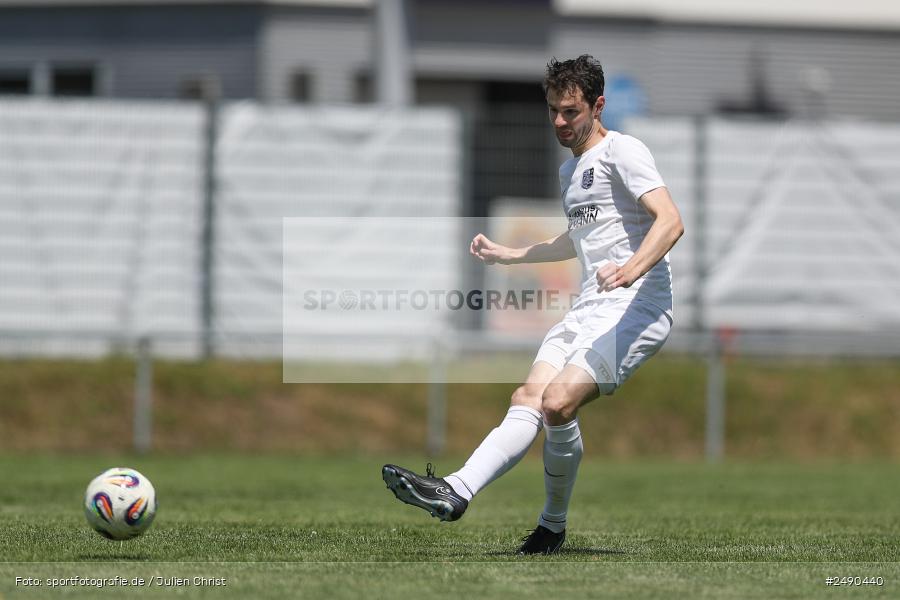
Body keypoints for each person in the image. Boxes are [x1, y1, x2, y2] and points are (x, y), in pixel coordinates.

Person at [382, 54, 684, 555]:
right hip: (590, 306)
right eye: (553, 112)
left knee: (558, 401)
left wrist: (631, 270)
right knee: (530, 397)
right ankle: (455, 490)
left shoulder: (624, 152)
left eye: (570, 111)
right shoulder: (571, 173)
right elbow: (580, 239)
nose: (560, 123)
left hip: (638, 305)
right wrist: (513, 254)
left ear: (598, 105)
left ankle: (550, 524)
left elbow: (670, 220)